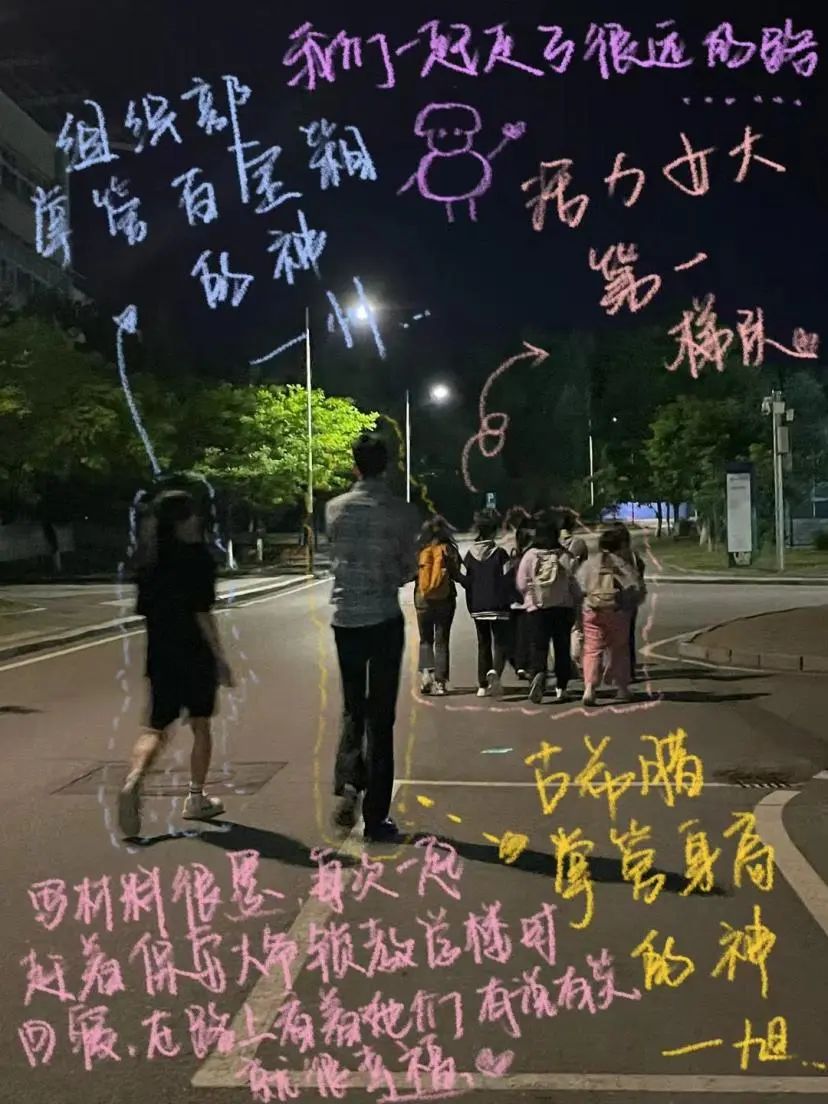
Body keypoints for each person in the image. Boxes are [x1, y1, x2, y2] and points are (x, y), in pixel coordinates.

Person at [117, 489, 234, 839]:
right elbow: (202, 613)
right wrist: (220, 658)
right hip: (195, 653)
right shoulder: (198, 558)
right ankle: (196, 798)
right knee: (201, 725)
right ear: (184, 520)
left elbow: (146, 611)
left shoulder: (148, 560)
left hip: (160, 653)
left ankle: (135, 778)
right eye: (192, 514)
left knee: (156, 727)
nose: (198, 519)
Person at [326, 433, 418, 843]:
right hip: (382, 618)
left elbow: (336, 557)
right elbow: (408, 568)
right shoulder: (401, 513)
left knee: (353, 708)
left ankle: (349, 782)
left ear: (355, 466)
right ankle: (376, 815)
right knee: (381, 717)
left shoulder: (334, 509)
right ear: (388, 466)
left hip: (345, 619)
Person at [576, 526, 645, 707]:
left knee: (592, 649)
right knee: (619, 649)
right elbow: (637, 588)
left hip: (592, 610)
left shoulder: (590, 564)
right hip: (618, 611)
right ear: (621, 545)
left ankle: (590, 688)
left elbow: (578, 587)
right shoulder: (623, 565)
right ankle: (621, 688)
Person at [516, 513, 579, 704]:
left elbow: (521, 583)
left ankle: (538, 676)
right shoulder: (564, 556)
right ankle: (562, 688)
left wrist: (530, 597)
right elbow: (574, 584)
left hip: (537, 609)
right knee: (562, 648)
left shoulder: (529, 556)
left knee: (538, 647)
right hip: (563, 607)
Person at [463, 509, 514, 697]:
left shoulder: (469, 555)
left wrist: (471, 603)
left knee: (483, 643)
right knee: (500, 643)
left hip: (478, 605)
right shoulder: (500, 554)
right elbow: (509, 579)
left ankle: (482, 685)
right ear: (493, 532)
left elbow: (467, 582)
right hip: (498, 605)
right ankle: (495, 673)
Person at [414, 516, 464, 696]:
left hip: (422, 600)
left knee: (425, 640)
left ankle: (426, 677)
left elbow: (411, 574)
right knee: (442, 641)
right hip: (445, 600)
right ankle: (440, 682)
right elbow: (457, 574)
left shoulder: (420, 550)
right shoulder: (449, 550)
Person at [611, 521, 647, 680]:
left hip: (614, 599)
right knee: (628, 636)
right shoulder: (633, 555)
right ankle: (629, 669)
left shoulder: (610, 557)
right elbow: (641, 570)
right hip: (630, 600)